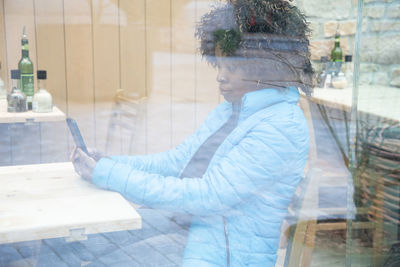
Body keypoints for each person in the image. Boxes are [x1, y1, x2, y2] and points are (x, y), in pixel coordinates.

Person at [72, 0, 313, 266]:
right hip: (186, 226)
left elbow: (208, 195)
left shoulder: (281, 126)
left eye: (231, 67)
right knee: (77, 239)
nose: (220, 77)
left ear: (263, 67)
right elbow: (177, 162)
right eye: (219, 65)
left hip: (218, 252)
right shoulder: (231, 110)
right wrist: (107, 163)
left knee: (90, 253)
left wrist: (109, 175)